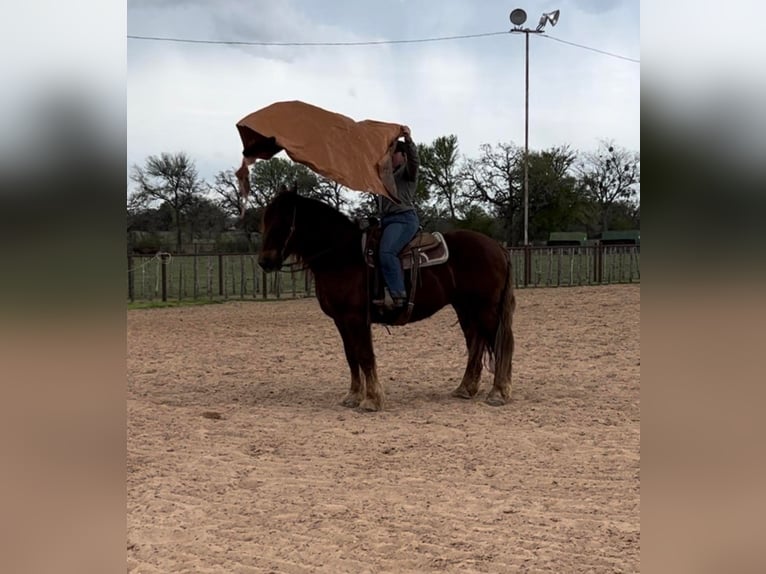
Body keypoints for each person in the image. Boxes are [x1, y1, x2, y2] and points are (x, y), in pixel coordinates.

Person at [373, 125, 420, 310]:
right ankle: (377, 292)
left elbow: (415, 161)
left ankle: (398, 295)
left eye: (394, 153)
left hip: (403, 219)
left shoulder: (407, 173)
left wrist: (408, 141)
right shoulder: (385, 178)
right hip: (387, 220)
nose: (390, 156)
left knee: (386, 252)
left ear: (403, 156)